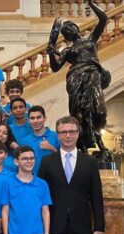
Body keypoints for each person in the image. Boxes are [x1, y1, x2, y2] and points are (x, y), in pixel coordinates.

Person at [38, 116, 104, 234]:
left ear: (78, 133)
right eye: (63, 132)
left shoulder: (89, 162)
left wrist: (99, 227)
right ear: (58, 135)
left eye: (71, 131)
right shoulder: (47, 162)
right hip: (54, 226)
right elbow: (40, 197)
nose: (68, 135)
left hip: (81, 226)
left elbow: (96, 197)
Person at [47, 0, 108, 153]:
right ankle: (84, 146)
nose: (69, 30)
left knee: (99, 111)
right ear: (66, 36)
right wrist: (51, 53)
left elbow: (103, 18)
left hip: (93, 76)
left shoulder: (90, 39)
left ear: (77, 28)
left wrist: (91, 3)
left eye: (71, 27)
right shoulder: (67, 50)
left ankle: (97, 136)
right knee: (79, 115)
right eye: (66, 30)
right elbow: (55, 68)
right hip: (75, 79)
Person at [21, 105, 60, 174]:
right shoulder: (24, 141)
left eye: (38, 117)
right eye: (32, 118)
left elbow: (65, 159)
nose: (35, 121)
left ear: (45, 118)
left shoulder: (56, 136)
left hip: (55, 179)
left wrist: (52, 148)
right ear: (28, 120)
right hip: (34, 181)